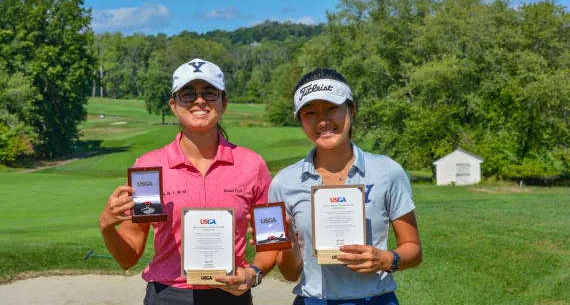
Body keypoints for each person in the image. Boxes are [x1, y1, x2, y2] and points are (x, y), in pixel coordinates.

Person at [99, 59, 276, 305]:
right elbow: (128, 257)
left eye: (209, 92)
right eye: (188, 94)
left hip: (232, 294)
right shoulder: (149, 167)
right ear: (174, 105)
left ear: (224, 102)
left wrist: (253, 273)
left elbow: (272, 242)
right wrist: (107, 228)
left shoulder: (252, 165)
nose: (199, 101)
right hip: (168, 295)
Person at [266, 68, 422, 304]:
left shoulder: (388, 171)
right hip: (313, 300)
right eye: (310, 113)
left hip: (376, 299)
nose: (322, 121)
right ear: (300, 121)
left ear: (351, 109)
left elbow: (413, 249)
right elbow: (289, 274)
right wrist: (287, 242)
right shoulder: (284, 182)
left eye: (331, 108)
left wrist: (388, 260)